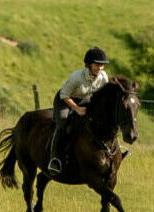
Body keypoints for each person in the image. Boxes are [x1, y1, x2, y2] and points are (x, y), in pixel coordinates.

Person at [47, 46, 110, 175]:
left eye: (102, 65)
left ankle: (113, 151)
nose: (100, 68)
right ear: (89, 64)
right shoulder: (77, 77)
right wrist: (77, 109)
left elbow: (102, 96)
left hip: (85, 99)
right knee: (63, 123)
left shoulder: (103, 77)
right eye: (97, 65)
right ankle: (55, 159)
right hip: (65, 100)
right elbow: (64, 95)